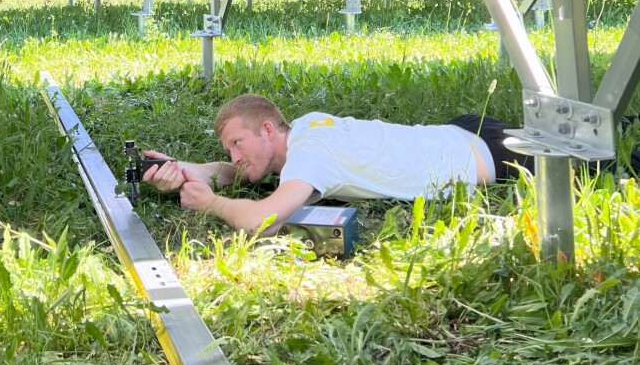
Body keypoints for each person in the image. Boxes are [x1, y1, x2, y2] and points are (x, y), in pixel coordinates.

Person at [142, 94, 533, 236]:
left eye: (236, 143)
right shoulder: (305, 129)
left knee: (590, 150)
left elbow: (261, 219)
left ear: (266, 129)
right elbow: (236, 172)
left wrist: (211, 204)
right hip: (461, 130)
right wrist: (184, 168)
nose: (234, 157)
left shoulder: (311, 157)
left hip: (496, 157)